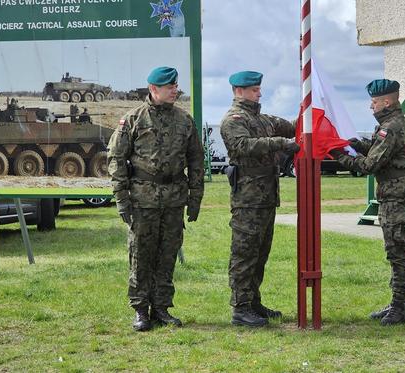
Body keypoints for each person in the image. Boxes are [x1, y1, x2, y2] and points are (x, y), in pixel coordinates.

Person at [107, 66, 205, 332]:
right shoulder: (134, 119)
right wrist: (122, 200)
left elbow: (196, 159)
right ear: (154, 89)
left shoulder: (184, 121)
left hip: (174, 199)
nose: (175, 90)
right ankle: (140, 310)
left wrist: (195, 198)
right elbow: (116, 159)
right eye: (170, 86)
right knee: (141, 254)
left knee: (167, 255)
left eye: (176, 86)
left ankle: (161, 308)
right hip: (143, 199)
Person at [329, 79, 405, 326]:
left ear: (386, 102)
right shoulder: (391, 125)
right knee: (394, 250)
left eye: (374, 102)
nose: (371, 106)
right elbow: (382, 152)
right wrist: (359, 145)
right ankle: (397, 303)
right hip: (393, 193)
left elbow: (370, 165)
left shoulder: (391, 127)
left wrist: (338, 155)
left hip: (396, 195)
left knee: (397, 252)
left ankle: (399, 307)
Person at [220, 71, 300, 327]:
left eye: (258, 89)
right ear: (239, 91)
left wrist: (309, 112)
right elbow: (242, 146)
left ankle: (253, 301)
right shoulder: (234, 120)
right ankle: (240, 308)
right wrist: (280, 143)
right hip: (248, 199)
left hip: (266, 197)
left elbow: (293, 125)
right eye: (254, 90)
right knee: (244, 253)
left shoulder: (262, 119)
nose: (259, 93)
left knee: (261, 252)